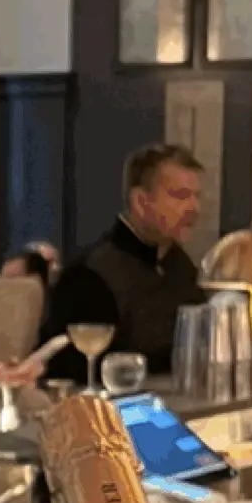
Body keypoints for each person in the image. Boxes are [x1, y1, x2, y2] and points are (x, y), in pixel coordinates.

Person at [39, 143, 206, 383]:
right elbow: (72, 376)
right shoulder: (88, 276)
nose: (194, 208)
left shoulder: (182, 266)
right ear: (141, 202)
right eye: (180, 196)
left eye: (196, 196)